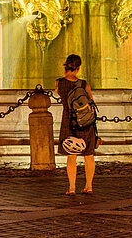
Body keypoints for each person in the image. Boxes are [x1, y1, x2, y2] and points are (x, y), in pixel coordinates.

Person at [55, 53, 99, 195]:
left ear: (66, 65)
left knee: (71, 156)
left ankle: (72, 188)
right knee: (89, 155)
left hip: (69, 122)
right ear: (78, 68)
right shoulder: (84, 84)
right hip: (85, 122)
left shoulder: (59, 83)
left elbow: (59, 94)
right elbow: (90, 101)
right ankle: (89, 186)